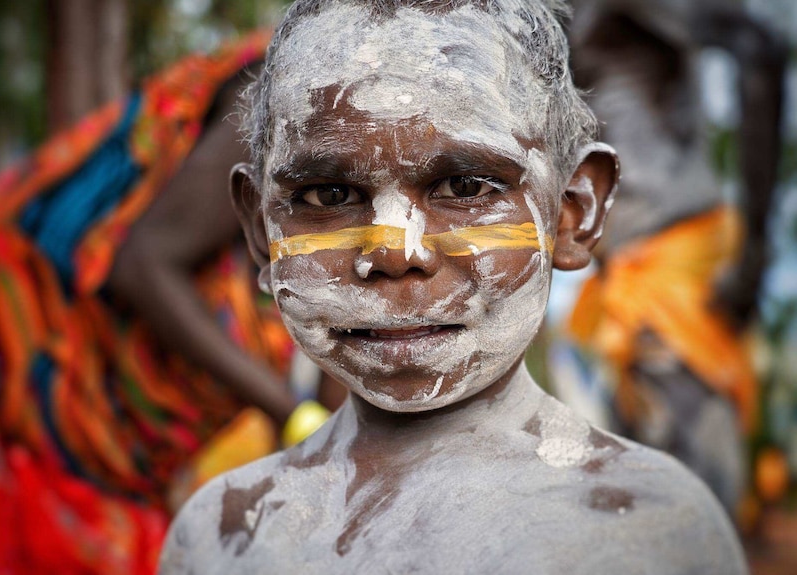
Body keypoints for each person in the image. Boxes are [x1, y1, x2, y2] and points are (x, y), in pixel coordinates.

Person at [158, 1, 748, 572]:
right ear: (261, 231)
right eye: (327, 195)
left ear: (573, 213)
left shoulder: (649, 530)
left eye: (465, 187)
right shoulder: (222, 536)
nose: (394, 252)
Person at [0, 31, 328, 575]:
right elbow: (143, 263)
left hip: (103, 448)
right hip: (6, 353)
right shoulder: (287, 90)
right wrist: (299, 418)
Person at [565, 0, 787, 516]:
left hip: (677, 281)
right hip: (621, 287)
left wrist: (755, 252)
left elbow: (762, 49)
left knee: (693, 514)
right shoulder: (553, 22)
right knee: (639, 517)